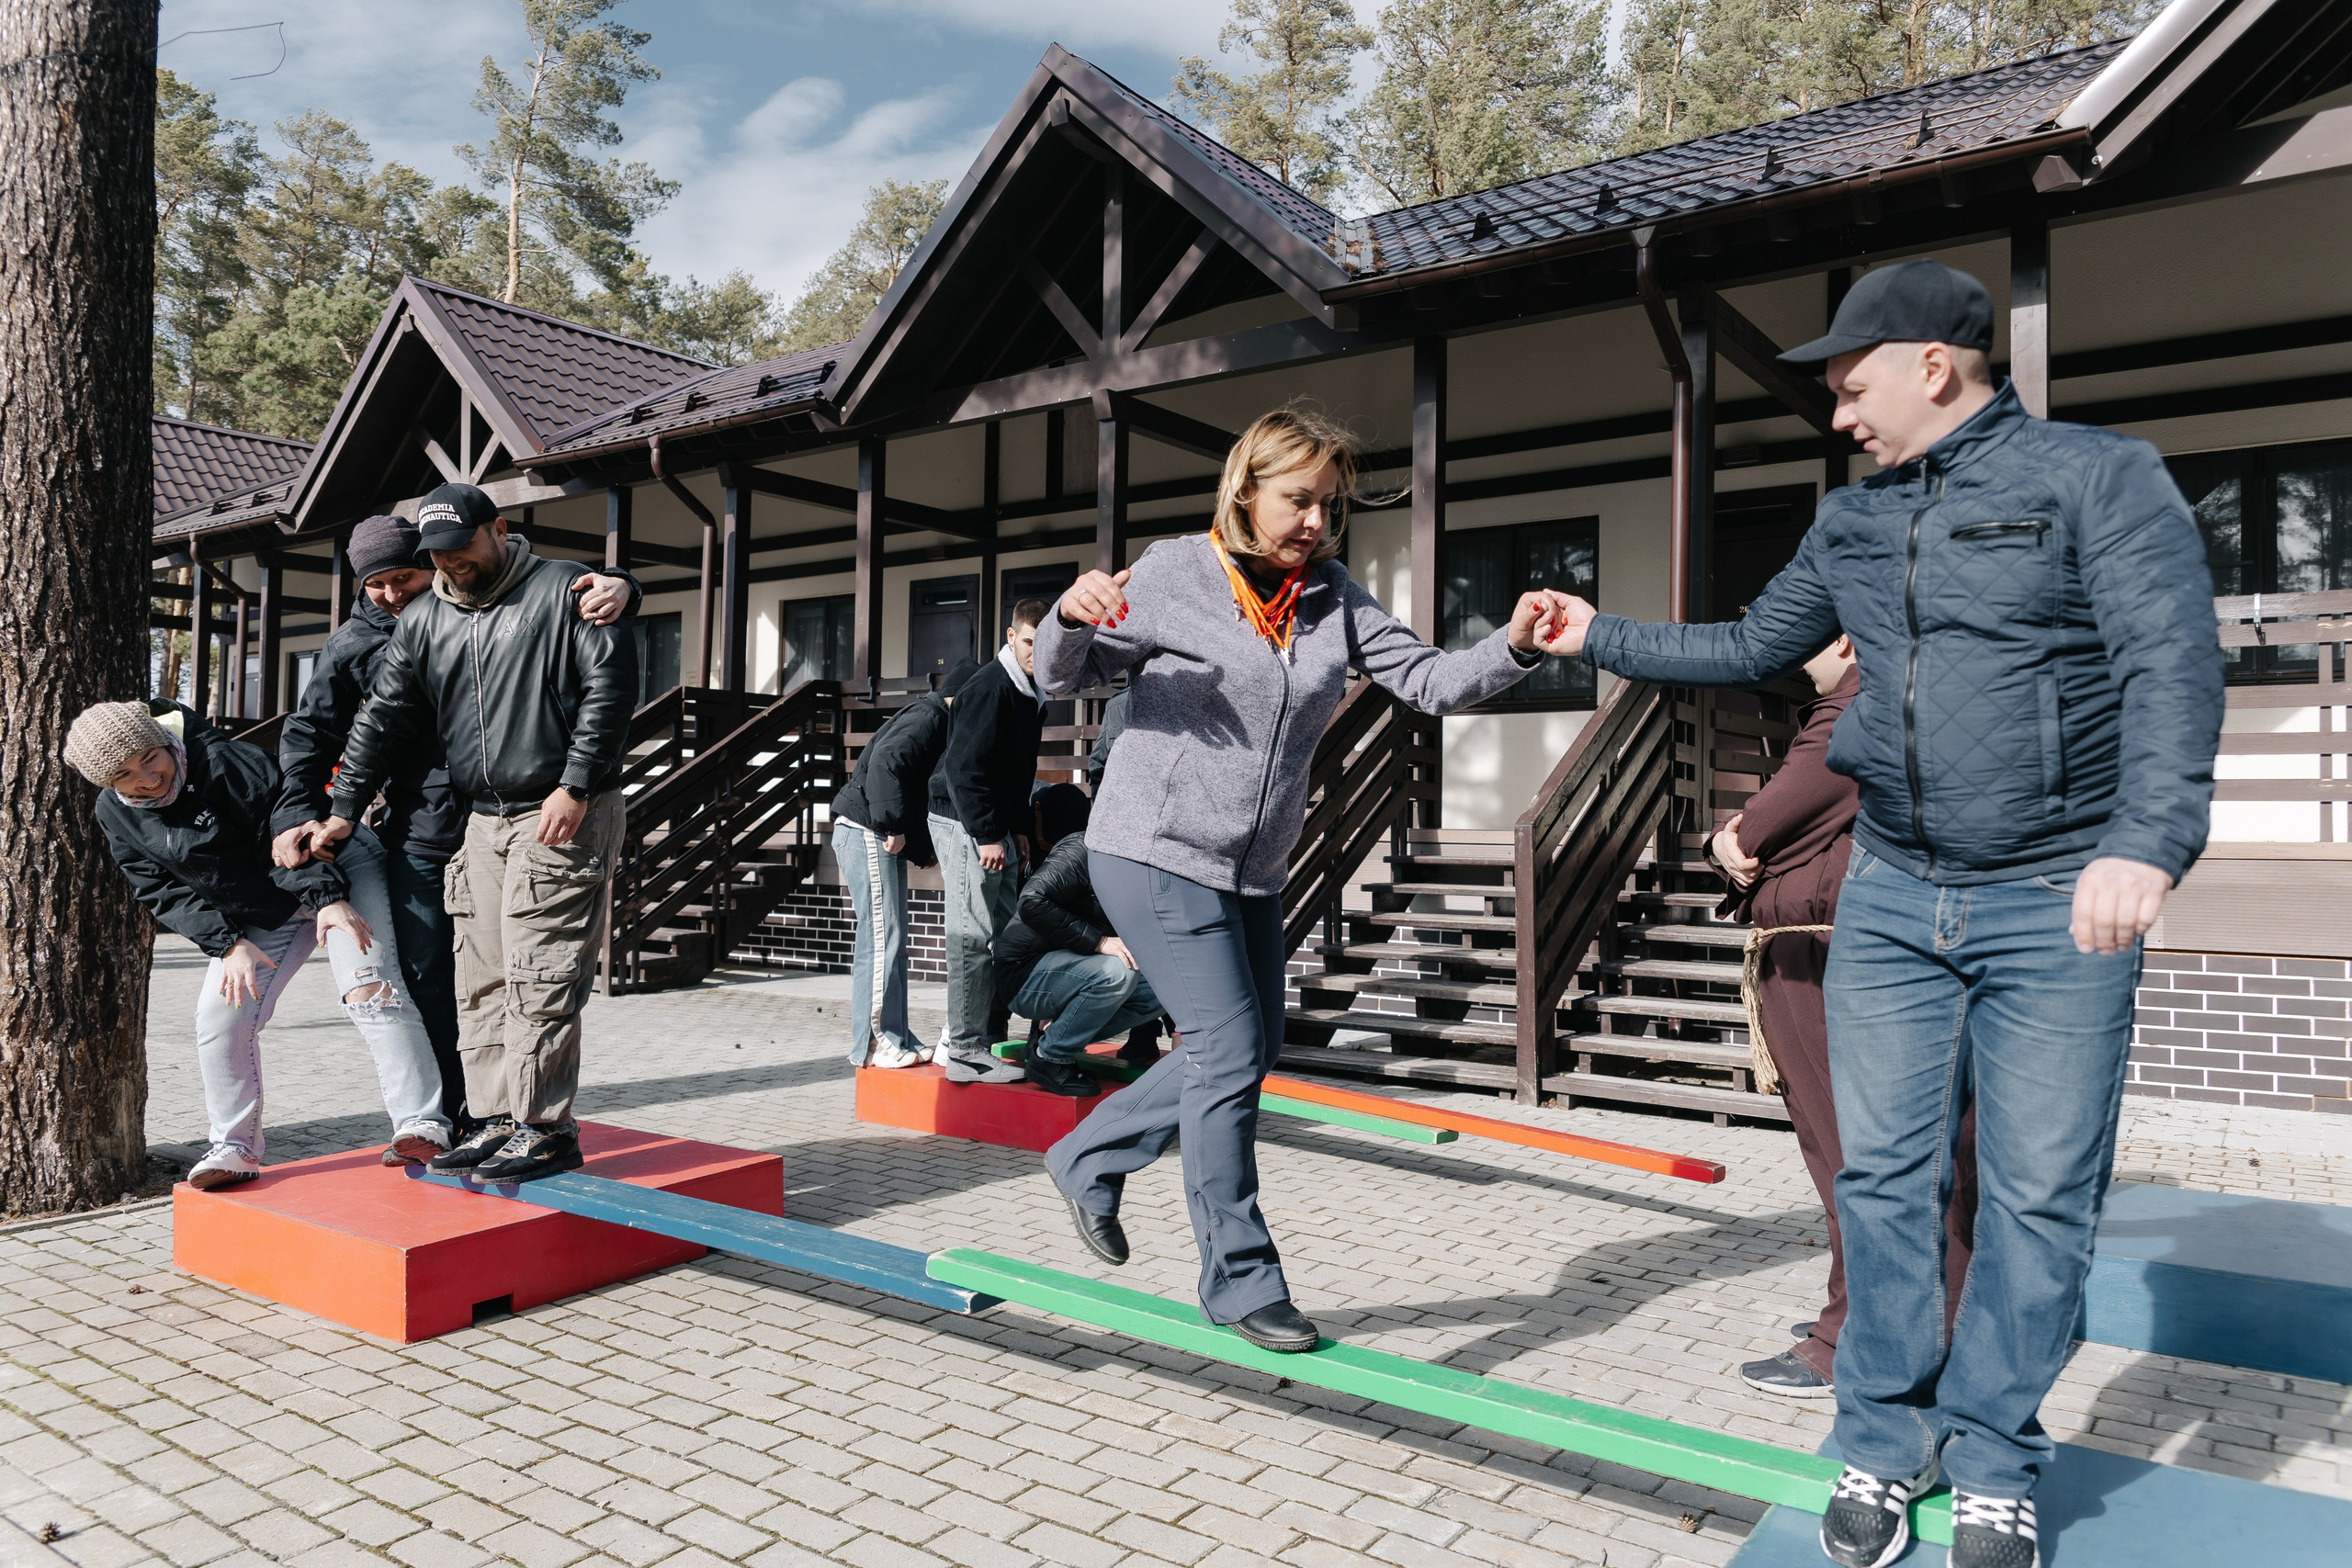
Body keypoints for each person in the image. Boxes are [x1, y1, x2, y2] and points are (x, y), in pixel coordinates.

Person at [1542, 259, 2223, 1568]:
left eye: (1852, 387)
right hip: (1896, 891)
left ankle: (1996, 1456)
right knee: (1883, 1178)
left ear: (1933, 363)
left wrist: (2148, 838)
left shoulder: (2098, 476)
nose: (1840, 415)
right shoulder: (1853, 524)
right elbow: (1748, 645)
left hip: (2053, 896)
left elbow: (2171, 660)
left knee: (2036, 1191)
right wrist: (1594, 632)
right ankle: (1877, 1437)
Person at [1035, 406, 1572, 1353]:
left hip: (1249, 868)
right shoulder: (1171, 573)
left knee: (1251, 1046)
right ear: (1244, 488)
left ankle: (1087, 1151)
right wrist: (1067, 618)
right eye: (1298, 500)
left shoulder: (1330, 597)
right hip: (1151, 844)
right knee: (1225, 1054)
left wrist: (1518, 645)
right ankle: (1241, 1282)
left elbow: (1433, 681)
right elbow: (1059, 677)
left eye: (1330, 505)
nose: (1317, 521)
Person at [300, 481, 639, 1184]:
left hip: (562, 808)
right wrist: (343, 805)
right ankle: (490, 1120)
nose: (451, 562)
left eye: (461, 546)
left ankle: (544, 1127)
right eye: (439, 553)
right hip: (481, 819)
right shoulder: (426, 619)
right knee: (479, 978)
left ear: (499, 529)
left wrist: (576, 782)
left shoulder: (565, 590)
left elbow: (610, 689)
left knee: (539, 972)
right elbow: (382, 717)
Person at [1711, 636, 1977, 1403]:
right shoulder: (1893, 692)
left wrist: (1727, 836)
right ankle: (1872, 1315)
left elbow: (1761, 827)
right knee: (1879, 1152)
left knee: (1854, 1155)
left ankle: (1859, 1338)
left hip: (1831, 954)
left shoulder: (1861, 701)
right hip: (1843, 946)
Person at [67, 698, 449, 1189]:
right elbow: (159, 887)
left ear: (164, 741)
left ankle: (422, 1124)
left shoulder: (223, 763)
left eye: (150, 756)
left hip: (330, 864)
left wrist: (328, 898)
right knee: (220, 1015)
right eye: (125, 774)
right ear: (108, 784)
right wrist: (227, 944)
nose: (147, 776)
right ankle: (235, 1147)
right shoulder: (115, 814)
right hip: (264, 908)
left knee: (369, 988)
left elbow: (284, 833)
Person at [831, 655, 983, 1069]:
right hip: (868, 831)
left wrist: (919, 848)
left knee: (891, 941)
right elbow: (886, 765)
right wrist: (893, 825)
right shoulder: (929, 717)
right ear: (963, 697)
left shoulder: (933, 717)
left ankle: (896, 1035)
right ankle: (880, 1043)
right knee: (883, 941)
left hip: (873, 831)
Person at [926, 600, 1048, 1086]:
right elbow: (963, 769)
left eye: (1046, 643)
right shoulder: (991, 686)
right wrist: (986, 833)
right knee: (972, 936)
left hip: (995, 824)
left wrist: (1014, 824)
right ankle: (963, 1050)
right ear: (1010, 636)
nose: (1037, 653)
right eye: (1029, 642)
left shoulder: (1029, 689)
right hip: (965, 822)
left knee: (1008, 933)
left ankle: (979, 1037)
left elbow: (1013, 770)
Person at [994, 784, 1165, 1097]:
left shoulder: (1137, 866)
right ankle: (1051, 1058)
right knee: (1118, 972)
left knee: (1161, 989)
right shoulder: (1082, 848)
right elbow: (1032, 902)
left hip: (1070, 969)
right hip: (1024, 973)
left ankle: (1053, 1039)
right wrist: (1100, 943)